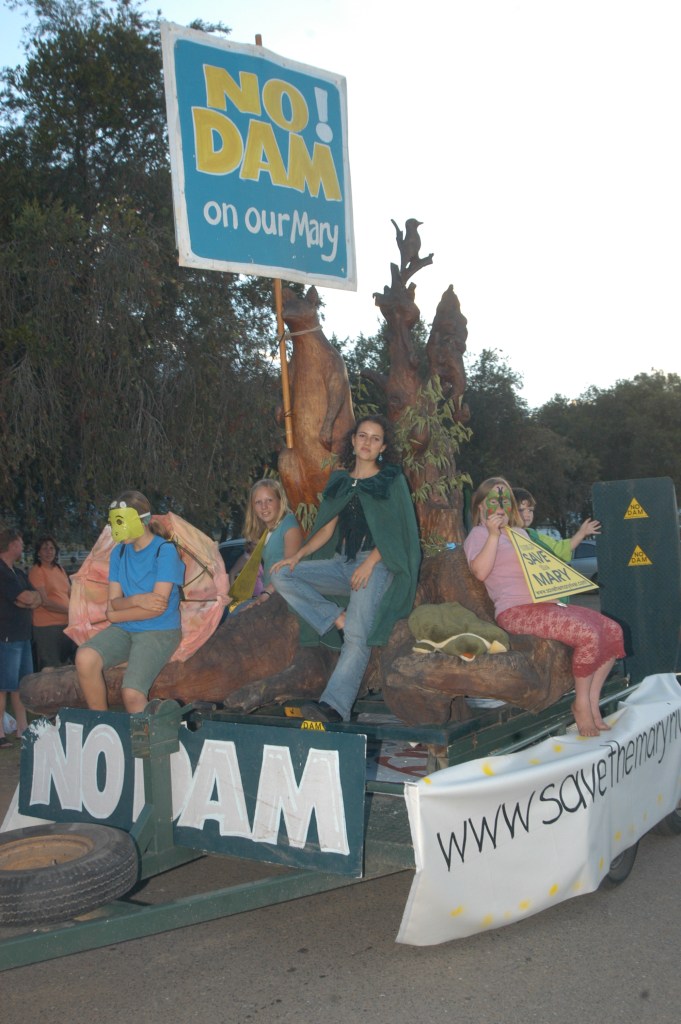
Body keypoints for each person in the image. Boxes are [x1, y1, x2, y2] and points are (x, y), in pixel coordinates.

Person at [271, 416, 421, 722]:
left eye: (375, 438)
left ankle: (335, 707)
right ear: (352, 441)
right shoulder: (339, 480)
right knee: (280, 574)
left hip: (376, 564)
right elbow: (327, 530)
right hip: (341, 564)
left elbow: (396, 533)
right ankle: (333, 616)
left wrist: (368, 563)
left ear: (383, 447)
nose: (367, 442)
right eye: (362, 436)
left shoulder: (391, 479)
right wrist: (297, 556)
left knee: (357, 635)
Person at [463, 477, 625, 737]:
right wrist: (493, 535)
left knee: (613, 631)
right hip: (515, 611)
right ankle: (580, 704)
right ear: (481, 506)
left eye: (506, 499)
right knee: (589, 635)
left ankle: (592, 703)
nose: (501, 505)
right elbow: (480, 572)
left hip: (547, 604)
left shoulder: (520, 533)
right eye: (494, 499)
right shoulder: (478, 535)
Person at [75, 491, 185, 713]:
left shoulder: (165, 551)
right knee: (85, 657)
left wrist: (116, 612)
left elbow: (156, 609)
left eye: (122, 521)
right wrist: (137, 600)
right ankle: (101, 726)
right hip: (125, 628)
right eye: (114, 522)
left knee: (132, 693)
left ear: (143, 520)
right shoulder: (119, 552)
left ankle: (148, 746)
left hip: (159, 630)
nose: (117, 529)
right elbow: (111, 605)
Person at [0, 527, 41, 745]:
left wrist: (28, 599)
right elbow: (23, 597)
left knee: (20, 683)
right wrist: (26, 599)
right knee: (4, 685)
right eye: (20, 542)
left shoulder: (18, 572)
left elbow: (35, 597)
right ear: (11, 544)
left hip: (23, 635)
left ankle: (22, 727)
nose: (22, 546)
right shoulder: (2, 571)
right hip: (6, 636)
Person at [239, 478, 303, 610]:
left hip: (285, 597)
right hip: (270, 595)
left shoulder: (288, 523)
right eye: (258, 502)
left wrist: (265, 594)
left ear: (280, 501)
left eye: (269, 500)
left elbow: (289, 569)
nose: (264, 507)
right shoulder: (266, 532)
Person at [28, 535, 77, 669]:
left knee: (66, 665)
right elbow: (45, 602)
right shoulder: (37, 571)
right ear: (38, 552)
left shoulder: (59, 569)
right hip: (47, 627)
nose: (49, 551)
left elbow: (69, 593)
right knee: (50, 666)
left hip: (67, 624)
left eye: (51, 548)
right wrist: (70, 610)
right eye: (44, 549)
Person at [512, 488, 601, 560]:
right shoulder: (501, 536)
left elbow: (559, 549)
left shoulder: (534, 536)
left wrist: (581, 533)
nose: (527, 514)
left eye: (530, 510)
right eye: (521, 510)